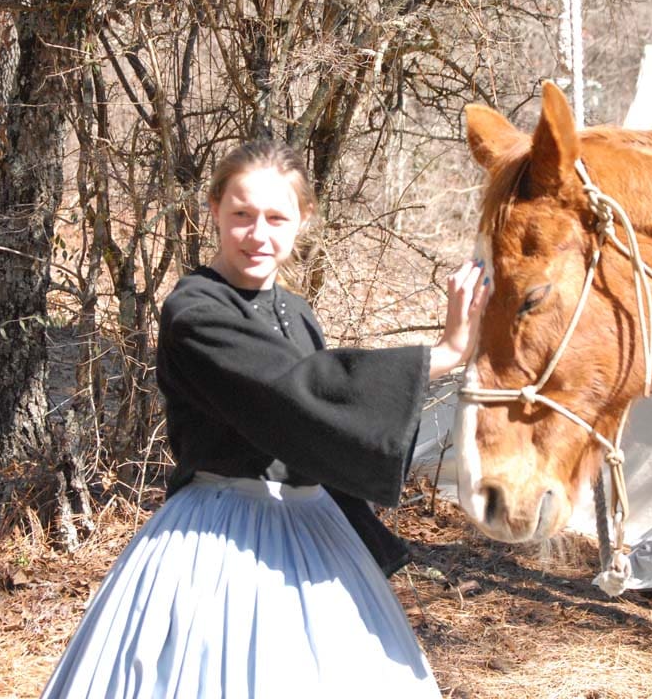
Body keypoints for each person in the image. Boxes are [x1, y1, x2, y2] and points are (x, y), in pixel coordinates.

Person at [39, 140, 488, 699]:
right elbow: (293, 393)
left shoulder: (297, 312)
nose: (258, 235)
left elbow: (322, 432)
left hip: (314, 526)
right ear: (214, 211)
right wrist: (442, 354)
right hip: (216, 540)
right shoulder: (194, 311)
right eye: (242, 215)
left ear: (304, 220)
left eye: (277, 218)